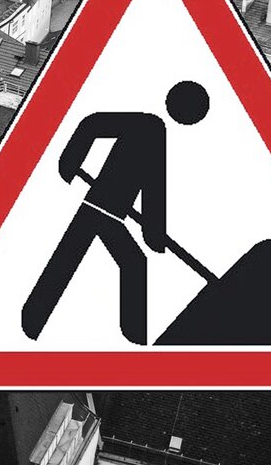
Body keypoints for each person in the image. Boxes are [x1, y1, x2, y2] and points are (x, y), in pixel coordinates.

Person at [22, 81, 210, 345]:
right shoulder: (150, 127)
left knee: (75, 259)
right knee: (126, 263)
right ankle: (133, 339)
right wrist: (70, 161)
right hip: (100, 208)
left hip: (108, 212)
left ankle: (32, 321)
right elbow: (93, 124)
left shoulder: (155, 130)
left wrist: (153, 232)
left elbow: (152, 187)